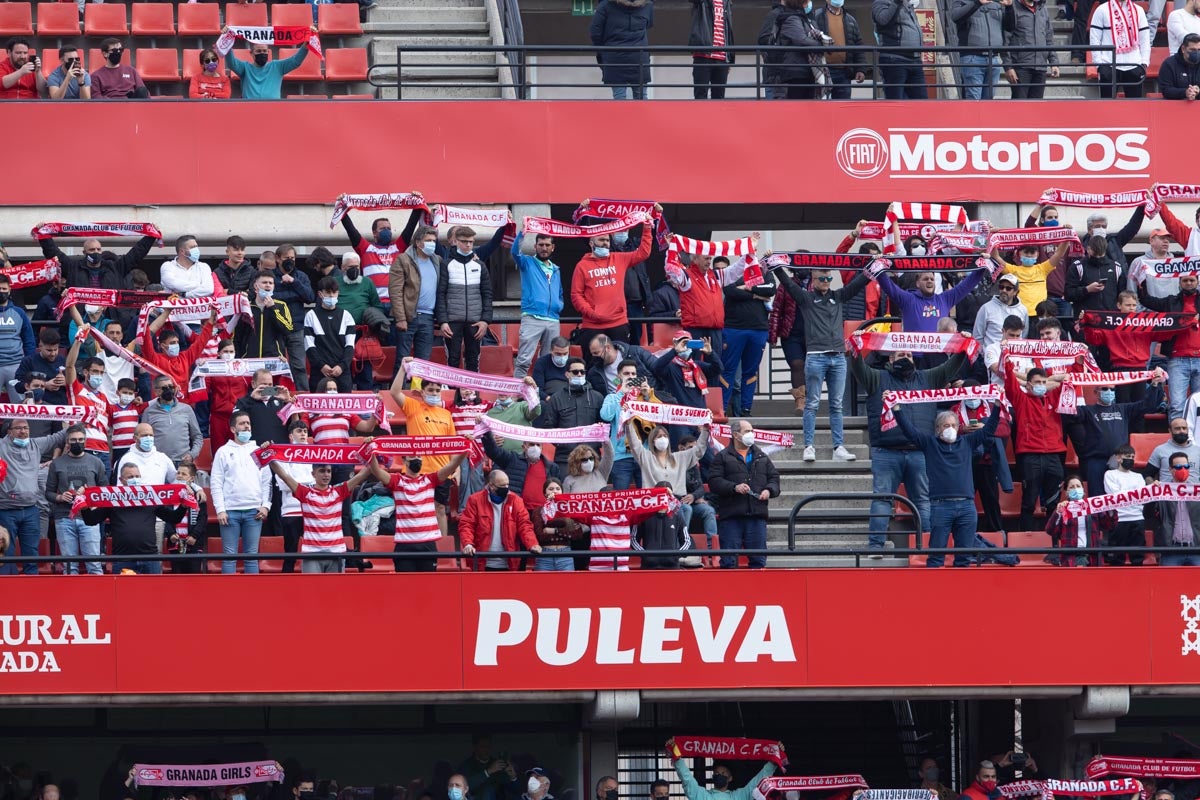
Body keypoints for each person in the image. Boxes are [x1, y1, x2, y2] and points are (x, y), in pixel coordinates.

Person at [852, 347, 969, 555]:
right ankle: (876, 547)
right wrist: (853, 351)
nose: (905, 358)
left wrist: (963, 348)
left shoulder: (928, 377)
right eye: (900, 355)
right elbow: (857, 366)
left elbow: (950, 368)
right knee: (882, 499)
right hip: (886, 451)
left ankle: (926, 546)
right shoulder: (876, 378)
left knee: (923, 500)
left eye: (908, 355)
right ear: (890, 359)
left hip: (920, 452)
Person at [774, 265, 867, 461]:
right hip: (816, 355)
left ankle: (838, 447)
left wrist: (874, 266)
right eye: (822, 279)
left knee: (836, 405)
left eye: (829, 279)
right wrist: (776, 267)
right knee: (812, 403)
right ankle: (809, 446)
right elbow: (788, 285)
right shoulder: (806, 298)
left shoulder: (838, 296)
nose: (826, 283)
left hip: (838, 357)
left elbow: (859, 282)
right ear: (813, 280)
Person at [895, 406, 1002, 567]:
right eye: (946, 425)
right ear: (938, 429)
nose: (950, 429)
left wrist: (997, 406)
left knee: (964, 557)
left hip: (966, 506)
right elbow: (909, 431)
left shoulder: (967, 441)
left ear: (959, 428)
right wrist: (896, 410)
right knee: (936, 556)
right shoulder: (930, 443)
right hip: (941, 506)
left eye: (953, 425)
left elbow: (989, 429)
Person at [269, 453, 374, 574]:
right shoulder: (305, 492)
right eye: (322, 471)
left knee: (334, 593)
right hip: (312, 554)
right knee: (312, 593)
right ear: (313, 474)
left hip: (336, 553)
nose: (326, 474)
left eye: (329, 471)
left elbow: (362, 475)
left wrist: (373, 452)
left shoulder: (338, 491)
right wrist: (269, 456)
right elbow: (284, 476)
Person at [366, 447, 467, 572]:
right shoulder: (396, 481)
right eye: (413, 456)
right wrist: (371, 450)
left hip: (427, 545)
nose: (417, 459)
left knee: (427, 588)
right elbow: (376, 471)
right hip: (404, 545)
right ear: (404, 461)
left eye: (419, 456)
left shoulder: (430, 479)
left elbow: (453, 465)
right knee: (405, 588)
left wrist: (465, 449)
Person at [571, 208, 658, 350]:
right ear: (592, 244)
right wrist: (592, 312)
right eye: (601, 240)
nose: (605, 243)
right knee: (594, 364)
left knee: (619, 363)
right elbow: (576, 296)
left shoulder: (619, 259)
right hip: (592, 325)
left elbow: (643, 252)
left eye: (606, 240)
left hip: (618, 323)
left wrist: (647, 227)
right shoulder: (582, 266)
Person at [83, 463, 189, 575]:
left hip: (150, 559)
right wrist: (84, 507)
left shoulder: (151, 497)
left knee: (153, 592)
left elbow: (174, 518)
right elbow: (91, 520)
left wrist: (184, 506)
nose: (135, 479)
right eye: (130, 477)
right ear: (121, 480)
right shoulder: (113, 500)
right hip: (123, 560)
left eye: (137, 476)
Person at [1068, 373, 1162, 495]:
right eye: (1105, 389)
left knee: (1121, 495)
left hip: (1119, 461)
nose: (1109, 391)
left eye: (1112, 389)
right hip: (1096, 461)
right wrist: (1067, 387)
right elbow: (1068, 412)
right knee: (1097, 496)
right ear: (1096, 392)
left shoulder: (1123, 409)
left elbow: (1148, 406)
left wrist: (1154, 385)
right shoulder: (1087, 410)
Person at [1006, 363, 1071, 531]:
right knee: (1028, 501)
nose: (1041, 386)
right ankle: (1025, 540)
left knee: (1053, 502)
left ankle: (1053, 542)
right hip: (1030, 455)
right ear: (1028, 384)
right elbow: (1009, 378)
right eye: (1037, 382)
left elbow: (1069, 380)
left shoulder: (1054, 398)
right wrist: (1006, 358)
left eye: (1043, 382)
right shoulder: (1021, 399)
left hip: (1054, 455)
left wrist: (1078, 360)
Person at [709, 419, 780, 568]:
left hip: (756, 516)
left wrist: (769, 490)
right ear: (735, 435)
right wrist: (734, 487)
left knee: (758, 561)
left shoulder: (762, 456)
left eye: (752, 431)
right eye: (747, 431)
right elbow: (714, 482)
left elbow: (774, 479)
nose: (751, 435)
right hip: (731, 517)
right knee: (728, 562)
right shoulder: (722, 456)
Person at [210, 410, 273, 574]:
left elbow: (267, 481)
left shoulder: (259, 451)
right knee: (229, 556)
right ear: (233, 429)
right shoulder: (223, 452)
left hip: (254, 511)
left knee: (252, 556)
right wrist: (220, 509)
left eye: (248, 423)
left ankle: (252, 596)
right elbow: (216, 482)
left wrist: (266, 506)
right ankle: (227, 596)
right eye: (242, 423)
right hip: (230, 512)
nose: (246, 426)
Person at [627, 420, 710, 532]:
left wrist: (705, 430)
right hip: (654, 502)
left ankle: (681, 541)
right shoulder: (646, 457)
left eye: (665, 435)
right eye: (659, 436)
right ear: (653, 441)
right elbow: (634, 444)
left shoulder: (680, 457)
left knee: (686, 509)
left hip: (677, 501)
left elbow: (699, 450)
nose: (663, 438)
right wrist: (628, 424)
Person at [1138, 271, 1200, 420]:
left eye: (1192, 280)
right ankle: (1177, 441)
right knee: (1177, 405)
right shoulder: (1170, 302)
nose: (1189, 283)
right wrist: (1142, 282)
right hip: (1177, 360)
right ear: (1179, 282)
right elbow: (1147, 301)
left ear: (1197, 281)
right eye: (1185, 280)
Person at [45, 425, 105, 576]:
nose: (77, 442)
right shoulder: (57, 464)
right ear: (67, 442)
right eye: (73, 440)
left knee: (94, 565)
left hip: (89, 518)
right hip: (64, 518)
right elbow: (48, 493)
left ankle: (100, 597)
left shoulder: (96, 462)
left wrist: (89, 493)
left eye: (80, 439)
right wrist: (60, 497)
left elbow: (105, 491)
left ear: (85, 441)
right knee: (69, 567)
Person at [437, 227, 494, 374]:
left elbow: (487, 294)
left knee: (473, 359)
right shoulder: (446, 264)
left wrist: (485, 320)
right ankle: (453, 394)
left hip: (475, 321)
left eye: (471, 242)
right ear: (455, 241)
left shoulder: (480, 265)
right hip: (452, 321)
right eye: (464, 242)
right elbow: (441, 294)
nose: (468, 245)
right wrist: (443, 321)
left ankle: (473, 395)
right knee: (453, 360)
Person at [459, 470, 542, 571]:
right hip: (482, 562)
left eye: (507, 485)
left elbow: (524, 525)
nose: (506, 488)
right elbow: (467, 525)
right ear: (491, 486)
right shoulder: (475, 500)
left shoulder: (516, 501)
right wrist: (468, 543)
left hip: (509, 563)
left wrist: (532, 543)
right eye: (502, 486)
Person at [721, 266, 776, 415]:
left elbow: (770, 289)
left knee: (750, 372)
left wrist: (745, 287)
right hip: (733, 329)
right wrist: (756, 295)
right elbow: (729, 291)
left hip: (758, 330)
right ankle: (722, 409)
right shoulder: (732, 271)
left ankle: (746, 409)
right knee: (728, 370)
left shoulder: (764, 271)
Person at [537, 357, 606, 472]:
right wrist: (563, 443)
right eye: (575, 372)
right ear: (567, 374)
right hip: (565, 458)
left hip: (592, 457)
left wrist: (595, 442)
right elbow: (549, 427)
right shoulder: (556, 398)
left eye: (582, 372)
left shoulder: (597, 397)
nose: (579, 375)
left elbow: (604, 425)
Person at [511, 231, 563, 380]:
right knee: (524, 360)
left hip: (553, 319)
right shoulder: (527, 262)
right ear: (535, 246)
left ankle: (543, 391)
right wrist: (522, 233)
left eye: (547, 245)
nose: (544, 248)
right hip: (532, 317)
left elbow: (559, 292)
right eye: (541, 245)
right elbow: (514, 251)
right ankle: (517, 394)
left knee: (548, 360)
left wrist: (559, 306)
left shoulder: (556, 269)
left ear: (553, 247)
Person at [222, 25, 319, 99]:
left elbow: (295, 61)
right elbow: (231, 63)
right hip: (249, 110)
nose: (262, 53)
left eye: (265, 51)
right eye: (259, 51)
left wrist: (306, 44)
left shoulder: (277, 66)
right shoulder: (245, 68)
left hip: (273, 110)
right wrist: (227, 39)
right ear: (251, 53)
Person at [390, 224, 441, 365]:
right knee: (403, 361)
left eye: (434, 241)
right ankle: (399, 388)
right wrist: (400, 318)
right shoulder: (403, 260)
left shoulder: (437, 260)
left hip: (428, 318)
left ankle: (417, 388)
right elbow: (395, 291)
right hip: (408, 318)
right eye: (428, 240)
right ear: (418, 243)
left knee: (423, 363)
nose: (432, 244)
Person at [668, 738, 777, 800]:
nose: (719, 775)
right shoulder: (703, 796)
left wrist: (774, 759)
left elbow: (756, 783)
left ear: (730, 778)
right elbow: (687, 780)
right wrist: (677, 758)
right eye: (716, 773)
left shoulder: (738, 797)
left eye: (723, 773)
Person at [590, 0, 655, 99]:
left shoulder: (606, 5)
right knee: (641, 97)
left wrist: (603, 51)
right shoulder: (647, 5)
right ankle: (642, 115)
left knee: (619, 97)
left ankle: (622, 114)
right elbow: (648, 24)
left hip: (614, 57)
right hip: (639, 57)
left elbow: (595, 33)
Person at [304, 276, 356, 393]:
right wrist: (321, 365)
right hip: (320, 371)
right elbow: (309, 346)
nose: (332, 296)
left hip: (342, 372)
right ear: (320, 294)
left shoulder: (346, 316)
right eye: (328, 292)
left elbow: (350, 346)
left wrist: (342, 366)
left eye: (334, 292)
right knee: (317, 409)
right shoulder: (311, 315)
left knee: (344, 409)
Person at [1090, 0, 1151, 97]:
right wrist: (1100, 65)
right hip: (1108, 64)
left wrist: (1144, 63)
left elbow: (1145, 39)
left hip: (1134, 65)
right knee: (1106, 108)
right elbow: (1094, 39)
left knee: (1135, 109)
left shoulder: (1138, 10)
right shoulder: (1101, 10)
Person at [998, 238, 1072, 315]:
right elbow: (996, 257)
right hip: (1019, 313)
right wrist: (993, 235)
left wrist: (1067, 236)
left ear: (1037, 254)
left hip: (1040, 314)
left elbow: (1059, 254)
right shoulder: (1013, 270)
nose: (1029, 255)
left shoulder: (1043, 269)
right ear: (1019, 253)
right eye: (1026, 252)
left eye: (1032, 252)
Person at [1002, 0, 1060, 97]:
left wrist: (1054, 62)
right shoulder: (1012, 8)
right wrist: (1008, 67)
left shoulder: (1043, 9)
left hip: (1040, 67)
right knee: (1019, 108)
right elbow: (1005, 40)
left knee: (1036, 108)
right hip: (1020, 67)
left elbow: (1049, 38)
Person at [143, 375, 204, 466]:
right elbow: (143, 437)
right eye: (164, 388)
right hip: (158, 463)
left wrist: (192, 455)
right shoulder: (148, 412)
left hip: (183, 463)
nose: (168, 390)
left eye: (170, 387)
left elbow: (197, 436)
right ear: (156, 392)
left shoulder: (187, 409)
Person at [952, 0, 1008, 99]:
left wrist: (1010, 8)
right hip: (972, 58)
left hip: (993, 58)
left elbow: (1010, 27)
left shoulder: (997, 3)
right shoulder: (962, 1)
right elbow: (955, 17)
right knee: (973, 99)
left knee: (989, 101)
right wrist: (977, 3)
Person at [1153, 451, 1200, 565]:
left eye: (1186, 466)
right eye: (1178, 466)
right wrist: (1153, 493)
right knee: (1167, 582)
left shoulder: (1197, 492)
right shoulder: (1162, 492)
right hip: (1171, 550)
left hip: (1196, 549)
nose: (1183, 470)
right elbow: (1148, 514)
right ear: (1170, 469)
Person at [872, 0, 926, 98]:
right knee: (895, 101)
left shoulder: (906, 4)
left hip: (915, 60)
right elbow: (883, 20)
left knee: (921, 101)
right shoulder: (880, 2)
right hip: (895, 59)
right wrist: (896, 2)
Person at [813, 0, 867, 98]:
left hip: (844, 73)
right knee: (822, 108)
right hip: (823, 71)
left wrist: (861, 69)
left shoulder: (851, 20)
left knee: (843, 109)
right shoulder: (817, 16)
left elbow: (858, 45)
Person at [1104, 443, 1147, 565]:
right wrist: (1133, 495)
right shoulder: (1110, 474)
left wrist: (1129, 495)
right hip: (1119, 520)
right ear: (1118, 458)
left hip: (1138, 518)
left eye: (1133, 457)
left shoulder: (1138, 476)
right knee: (1117, 557)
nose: (1131, 459)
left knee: (1138, 557)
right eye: (1127, 456)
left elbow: (1142, 496)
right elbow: (1116, 495)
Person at [632, 481, 692, 568]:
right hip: (648, 567)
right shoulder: (643, 516)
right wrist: (645, 555)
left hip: (671, 567)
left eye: (668, 495)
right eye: (661, 494)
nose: (664, 497)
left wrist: (675, 556)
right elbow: (633, 539)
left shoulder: (677, 515)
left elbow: (686, 541)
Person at [236, 271, 294, 360]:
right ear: (256, 286)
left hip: (274, 358)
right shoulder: (247, 307)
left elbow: (288, 329)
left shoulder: (281, 305)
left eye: (271, 283)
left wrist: (273, 309)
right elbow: (238, 335)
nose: (268, 285)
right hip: (250, 358)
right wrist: (238, 357)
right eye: (264, 282)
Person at [531, 477, 586, 571]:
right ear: (545, 493)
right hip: (544, 555)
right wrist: (565, 528)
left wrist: (554, 530)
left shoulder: (569, 509)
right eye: (551, 489)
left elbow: (577, 534)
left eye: (558, 489)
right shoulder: (538, 511)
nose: (555, 491)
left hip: (565, 555)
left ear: (562, 492)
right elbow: (540, 535)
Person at [167, 462, 208, 574]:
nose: (179, 475)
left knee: (193, 578)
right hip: (175, 544)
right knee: (176, 578)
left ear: (192, 478)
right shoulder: (170, 494)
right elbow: (166, 517)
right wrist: (170, 534)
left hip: (193, 544)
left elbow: (202, 519)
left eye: (184, 474)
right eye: (178, 473)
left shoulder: (198, 495)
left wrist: (194, 536)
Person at [689, 0, 734, 98]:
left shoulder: (726, 2)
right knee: (701, 97)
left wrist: (729, 57)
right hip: (703, 55)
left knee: (719, 98)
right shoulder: (702, 2)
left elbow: (728, 29)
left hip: (722, 58)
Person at [973, 275, 1028, 350]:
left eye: (1008, 288)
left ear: (1015, 292)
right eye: (1001, 287)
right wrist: (985, 354)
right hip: (989, 358)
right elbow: (978, 336)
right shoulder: (986, 308)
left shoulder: (1023, 310)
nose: (1004, 290)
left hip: (1013, 357)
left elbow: (1023, 334)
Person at [1129, 229, 1180, 299]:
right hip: (1148, 309)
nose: (1166, 241)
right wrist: (1138, 309)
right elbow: (1131, 288)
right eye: (1162, 238)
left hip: (1173, 309)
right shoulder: (1139, 262)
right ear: (1151, 241)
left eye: (1167, 238)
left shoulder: (1176, 262)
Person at [532, 337, 573, 401]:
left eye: (565, 354)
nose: (562, 357)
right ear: (551, 351)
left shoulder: (574, 363)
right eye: (558, 354)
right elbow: (537, 389)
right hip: (548, 398)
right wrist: (548, 399)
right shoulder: (541, 362)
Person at [1161, 33, 1200, 99]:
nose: (1196, 53)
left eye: (1199, 50)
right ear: (1183, 49)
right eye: (1192, 50)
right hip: (1175, 106)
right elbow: (1166, 90)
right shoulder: (1169, 64)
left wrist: (1198, 90)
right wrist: (1185, 92)